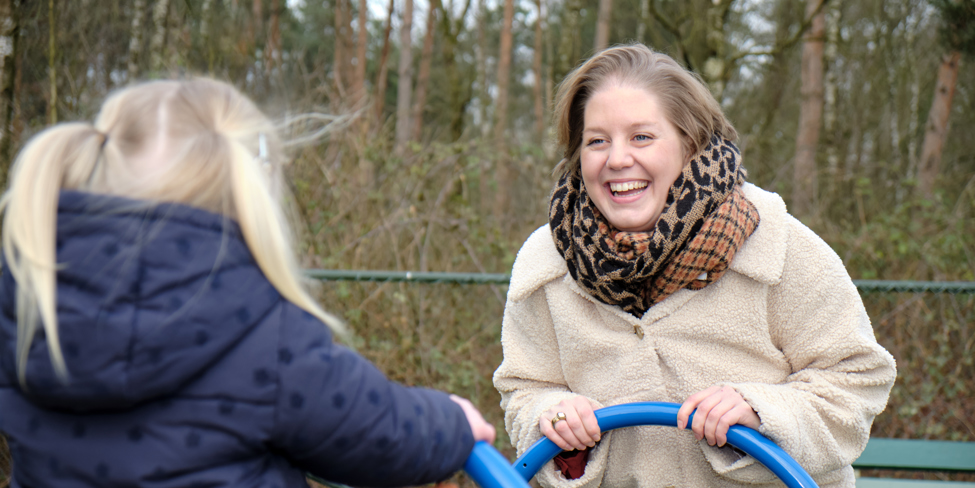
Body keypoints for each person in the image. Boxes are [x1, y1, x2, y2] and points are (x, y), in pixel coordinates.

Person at [0, 77, 495, 487]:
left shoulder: (23, 313)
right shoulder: (260, 331)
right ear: (251, 199)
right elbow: (377, 431)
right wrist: (450, 422)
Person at [493, 44, 896, 488]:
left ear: (690, 143)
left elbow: (856, 380)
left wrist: (760, 412)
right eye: (597, 141)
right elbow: (525, 388)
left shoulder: (781, 247)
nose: (617, 159)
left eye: (642, 137)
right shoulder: (546, 263)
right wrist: (551, 420)